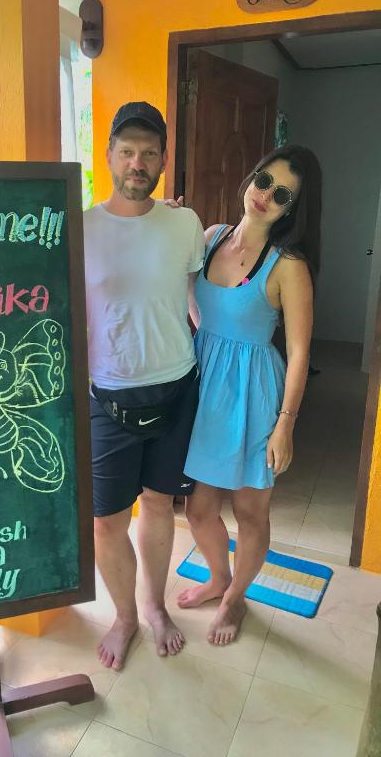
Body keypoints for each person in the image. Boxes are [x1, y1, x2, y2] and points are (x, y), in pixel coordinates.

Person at [175, 145, 321, 646]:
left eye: (282, 195)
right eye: (263, 180)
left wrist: (286, 425)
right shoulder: (211, 237)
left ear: (291, 211)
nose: (265, 195)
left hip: (255, 394)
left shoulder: (288, 265)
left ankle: (236, 597)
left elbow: (299, 353)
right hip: (204, 387)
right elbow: (186, 291)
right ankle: (219, 578)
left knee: (250, 511)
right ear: (250, 178)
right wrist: (170, 221)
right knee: (198, 509)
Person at [84, 102, 205, 670]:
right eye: (128, 151)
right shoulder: (80, 228)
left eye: (150, 153)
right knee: (107, 518)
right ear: (109, 155)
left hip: (176, 386)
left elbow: (198, 293)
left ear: (162, 160)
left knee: (159, 503)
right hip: (106, 393)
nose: (138, 162)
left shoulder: (184, 224)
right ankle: (125, 616)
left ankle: (155, 607)